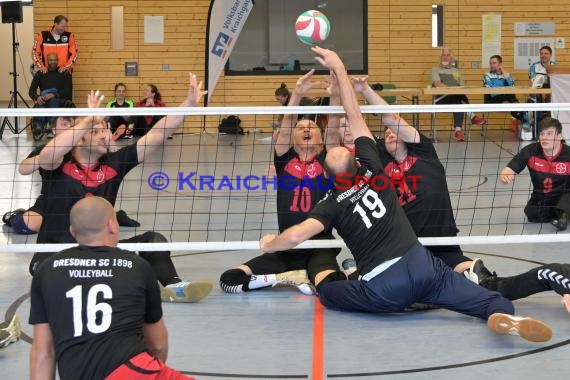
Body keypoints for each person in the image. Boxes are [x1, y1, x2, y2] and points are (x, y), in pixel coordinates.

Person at [261, 46, 552, 343]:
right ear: (357, 161)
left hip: (386, 286)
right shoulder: (374, 171)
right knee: (489, 300)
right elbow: (354, 113)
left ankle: (391, 293)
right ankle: (501, 314)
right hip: (423, 266)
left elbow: (296, 236)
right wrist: (339, 66)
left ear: (327, 176)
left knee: (330, 293)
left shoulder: (330, 203)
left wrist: (271, 244)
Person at [345, 79, 570, 314]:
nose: (390, 134)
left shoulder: (424, 152)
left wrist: (365, 90)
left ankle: (507, 276)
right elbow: (355, 129)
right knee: (380, 285)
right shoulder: (380, 160)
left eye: (395, 132)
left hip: (441, 240)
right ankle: (360, 273)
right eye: (386, 134)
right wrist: (340, 93)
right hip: (405, 245)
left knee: (486, 285)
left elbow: (391, 118)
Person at [31, 74, 213, 304]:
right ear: (79, 138)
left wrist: (188, 104)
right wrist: (89, 119)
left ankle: (175, 286)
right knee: (59, 273)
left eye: (105, 129)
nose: (104, 135)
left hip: (101, 254)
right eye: (97, 131)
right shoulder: (58, 162)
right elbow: (47, 155)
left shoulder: (115, 163)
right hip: (56, 255)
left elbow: (157, 134)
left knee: (154, 240)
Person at [29, 196, 194, 380]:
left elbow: (43, 353)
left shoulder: (47, 270)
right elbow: (157, 345)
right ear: (112, 225)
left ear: (72, 231)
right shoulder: (138, 266)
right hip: (132, 370)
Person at [220, 70, 345, 295]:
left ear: (320, 137)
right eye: (300, 128)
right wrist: (296, 93)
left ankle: (340, 271)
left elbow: (334, 127)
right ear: (292, 137)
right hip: (287, 245)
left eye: (312, 128)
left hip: (319, 247)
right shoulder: (284, 161)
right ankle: (285, 277)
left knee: (332, 288)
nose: (306, 129)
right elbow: (286, 124)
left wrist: (335, 96)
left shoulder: (326, 161)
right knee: (229, 280)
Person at [2, 116, 140, 235]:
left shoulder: (85, 149)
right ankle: (14, 216)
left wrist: (109, 140)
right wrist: (47, 158)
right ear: (54, 130)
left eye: (71, 124)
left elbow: (117, 159)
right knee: (27, 225)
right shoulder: (48, 150)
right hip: (52, 201)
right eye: (64, 124)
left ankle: (114, 215)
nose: (70, 127)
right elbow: (23, 169)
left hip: (84, 199)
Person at [500, 117, 569, 231]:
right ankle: (558, 214)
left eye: (549, 134)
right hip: (542, 196)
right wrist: (505, 175)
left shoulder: (568, 154)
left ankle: (562, 213)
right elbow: (508, 170)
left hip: (565, 196)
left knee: (565, 203)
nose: (544, 138)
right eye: (542, 134)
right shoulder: (530, 151)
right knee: (531, 213)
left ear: (559, 136)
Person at [431, 47, 487, 142]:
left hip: (455, 98)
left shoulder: (456, 71)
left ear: (451, 58)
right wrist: (453, 89)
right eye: (443, 55)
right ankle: (472, 116)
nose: (445, 57)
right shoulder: (435, 70)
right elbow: (437, 84)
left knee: (458, 100)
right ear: (440, 57)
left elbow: (462, 87)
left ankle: (458, 131)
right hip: (441, 99)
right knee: (458, 97)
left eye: (448, 55)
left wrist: (457, 90)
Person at [28, 53, 73, 138]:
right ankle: (39, 129)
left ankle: (52, 127)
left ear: (58, 61)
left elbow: (67, 91)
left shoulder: (64, 73)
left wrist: (54, 94)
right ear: (47, 61)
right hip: (44, 101)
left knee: (53, 101)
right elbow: (31, 91)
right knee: (40, 105)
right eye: (51, 60)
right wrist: (37, 97)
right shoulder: (40, 74)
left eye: (55, 60)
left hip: (59, 101)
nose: (53, 62)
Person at [483, 54, 530, 131]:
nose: (492, 65)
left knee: (510, 103)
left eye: (494, 63)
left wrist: (503, 71)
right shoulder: (487, 75)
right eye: (491, 63)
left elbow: (512, 85)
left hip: (506, 100)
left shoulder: (507, 75)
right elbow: (490, 88)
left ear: (500, 64)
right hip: (493, 99)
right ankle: (525, 119)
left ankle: (525, 119)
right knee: (513, 101)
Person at [528, 45, 555, 128]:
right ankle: (539, 128)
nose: (543, 55)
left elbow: (556, 82)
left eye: (546, 53)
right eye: (541, 53)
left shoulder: (555, 66)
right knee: (535, 100)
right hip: (537, 93)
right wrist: (542, 91)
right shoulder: (534, 66)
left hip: (552, 93)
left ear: (550, 55)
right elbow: (534, 82)